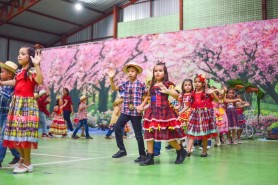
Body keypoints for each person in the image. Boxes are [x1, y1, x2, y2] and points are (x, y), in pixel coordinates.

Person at [1, 45, 44, 173]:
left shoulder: (32, 71)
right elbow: (16, 82)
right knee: (13, 135)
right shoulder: (20, 72)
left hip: (27, 105)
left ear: (30, 57)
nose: (19, 55)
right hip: (16, 104)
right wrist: (2, 83)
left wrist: (37, 65)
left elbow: (40, 81)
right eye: (19, 53)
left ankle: (27, 162)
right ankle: (22, 159)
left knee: (24, 135)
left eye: (23, 54)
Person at [140, 62, 187, 166]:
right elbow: (152, 101)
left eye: (160, 71)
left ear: (165, 73)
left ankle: (180, 151)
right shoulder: (152, 85)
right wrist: (143, 107)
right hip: (152, 113)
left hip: (165, 114)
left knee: (168, 137)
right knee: (149, 135)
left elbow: (176, 95)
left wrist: (167, 91)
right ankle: (150, 156)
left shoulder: (168, 84)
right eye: (155, 71)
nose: (157, 73)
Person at [108, 61, 147, 163]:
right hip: (125, 111)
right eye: (129, 71)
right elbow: (114, 88)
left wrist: (142, 105)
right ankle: (122, 150)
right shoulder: (125, 84)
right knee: (116, 127)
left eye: (132, 71)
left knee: (138, 134)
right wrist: (111, 78)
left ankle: (142, 155)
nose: (130, 73)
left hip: (135, 112)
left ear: (137, 73)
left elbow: (147, 95)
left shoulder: (141, 84)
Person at [186, 74, 219, 157]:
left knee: (204, 134)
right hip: (195, 115)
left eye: (199, 82)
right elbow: (188, 104)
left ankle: (204, 151)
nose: (197, 83)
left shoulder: (207, 92)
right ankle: (188, 150)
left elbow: (217, 100)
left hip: (205, 115)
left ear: (203, 83)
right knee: (191, 133)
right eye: (195, 82)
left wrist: (213, 93)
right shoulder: (192, 93)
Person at [0, 61, 20, 168]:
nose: (0, 74)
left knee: (2, 137)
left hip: (8, 114)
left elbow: (8, 97)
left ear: (10, 74)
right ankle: (17, 155)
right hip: (1, 113)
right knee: (7, 138)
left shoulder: (13, 87)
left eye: (2, 72)